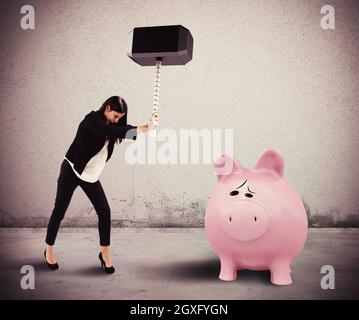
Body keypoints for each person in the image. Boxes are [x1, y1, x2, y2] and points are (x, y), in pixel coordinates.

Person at [44, 96, 155, 274]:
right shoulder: (91, 120)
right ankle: (48, 250)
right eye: (115, 115)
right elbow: (111, 131)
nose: (116, 120)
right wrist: (143, 128)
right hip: (72, 169)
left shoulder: (113, 127)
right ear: (107, 108)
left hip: (90, 175)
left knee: (105, 212)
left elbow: (122, 132)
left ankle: (105, 255)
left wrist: (149, 127)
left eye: (119, 118)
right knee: (59, 211)